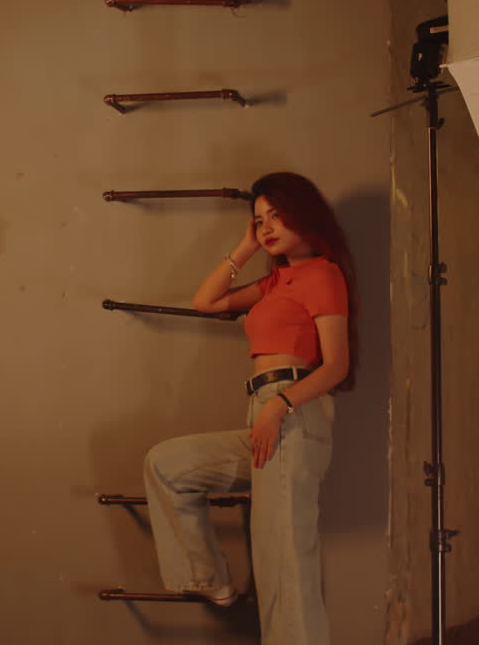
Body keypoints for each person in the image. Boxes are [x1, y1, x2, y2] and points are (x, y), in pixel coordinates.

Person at [143, 171, 356, 645]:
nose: (267, 227)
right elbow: (205, 302)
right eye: (259, 220)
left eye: (277, 215)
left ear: (305, 213)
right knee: (168, 465)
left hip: (293, 411)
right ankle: (207, 578)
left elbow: (336, 365)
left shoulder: (323, 273)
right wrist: (246, 247)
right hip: (264, 412)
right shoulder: (275, 282)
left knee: (283, 559)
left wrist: (279, 406)